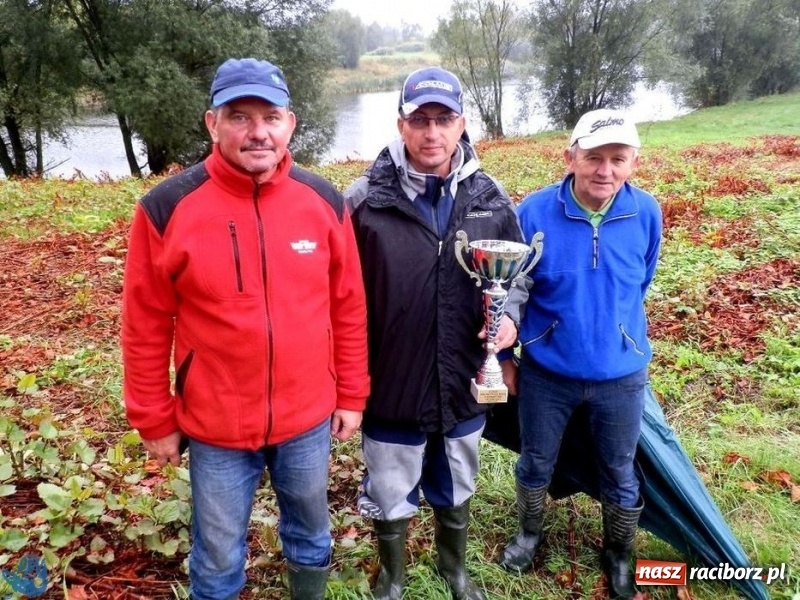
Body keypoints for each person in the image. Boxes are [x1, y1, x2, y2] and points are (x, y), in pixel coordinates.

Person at [121, 57, 370, 600]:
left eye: (271, 116)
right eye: (239, 116)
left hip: (307, 416)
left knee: (309, 532)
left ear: (291, 123)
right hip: (215, 424)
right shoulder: (167, 208)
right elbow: (143, 323)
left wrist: (351, 392)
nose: (258, 131)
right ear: (212, 123)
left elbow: (347, 306)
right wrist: (153, 416)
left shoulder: (324, 202)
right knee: (216, 552)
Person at [343, 66, 527, 600]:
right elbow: (337, 290)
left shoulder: (490, 197)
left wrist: (508, 314)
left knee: (455, 479)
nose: (432, 132)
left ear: (462, 123)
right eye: (419, 119)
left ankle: (455, 571)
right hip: (391, 378)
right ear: (401, 126)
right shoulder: (364, 200)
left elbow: (519, 274)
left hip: (463, 379)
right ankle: (394, 575)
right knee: (390, 482)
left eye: (443, 119)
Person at [498, 108, 662, 599]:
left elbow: (642, 278)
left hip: (621, 375)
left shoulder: (646, 212)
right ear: (570, 158)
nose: (604, 170)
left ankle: (618, 551)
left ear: (633, 162)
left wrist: (618, 332)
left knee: (618, 468)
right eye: (593, 157)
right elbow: (515, 282)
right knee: (536, 460)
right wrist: (507, 330)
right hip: (549, 372)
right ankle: (529, 534)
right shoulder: (534, 212)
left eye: (618, 159)